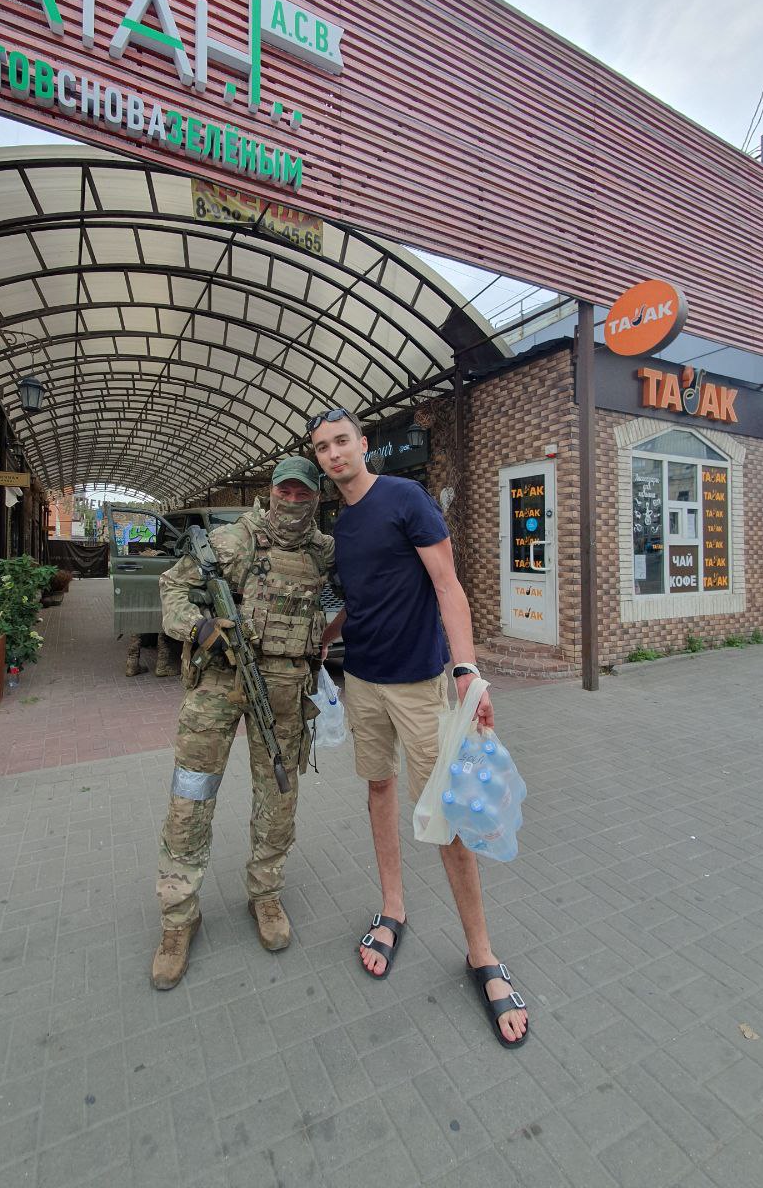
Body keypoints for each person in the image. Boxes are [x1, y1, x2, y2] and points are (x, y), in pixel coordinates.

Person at [310, 408, 529, 1048]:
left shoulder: (406, 498)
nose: (333, 454)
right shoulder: (343, 523)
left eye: (341, 441)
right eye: (322, 447)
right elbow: (363, 598)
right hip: (363, 682)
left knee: (446, 811)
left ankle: (482, 953)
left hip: (418, 682)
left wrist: (467, 670)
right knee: (378, 787)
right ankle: (393, 908)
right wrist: (325, 637)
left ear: (363, 444)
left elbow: (448, 586)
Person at [151, 457, 334, 989]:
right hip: (217, 684)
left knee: (278, 796)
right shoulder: (233, 541)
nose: (292, 502)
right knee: (191, 795)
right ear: (270, 492)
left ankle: (266, 895)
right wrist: (201, 627)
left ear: (317, 498)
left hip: (284, 689)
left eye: (303, 494)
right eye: (285, 492)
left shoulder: (323, 551)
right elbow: (172, 587)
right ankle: (178, 916)